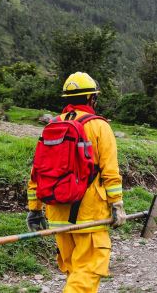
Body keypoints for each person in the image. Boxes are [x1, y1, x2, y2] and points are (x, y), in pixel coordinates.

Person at [27, 72, 125, 293]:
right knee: (89, 269)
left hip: (57, 214)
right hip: (89, 213)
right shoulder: (100, 126)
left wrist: (34, 209)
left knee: (75, 270)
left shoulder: (52, 125)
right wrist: (117, 204)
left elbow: (37, 171)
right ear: (92, 98)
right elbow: (110, 172)